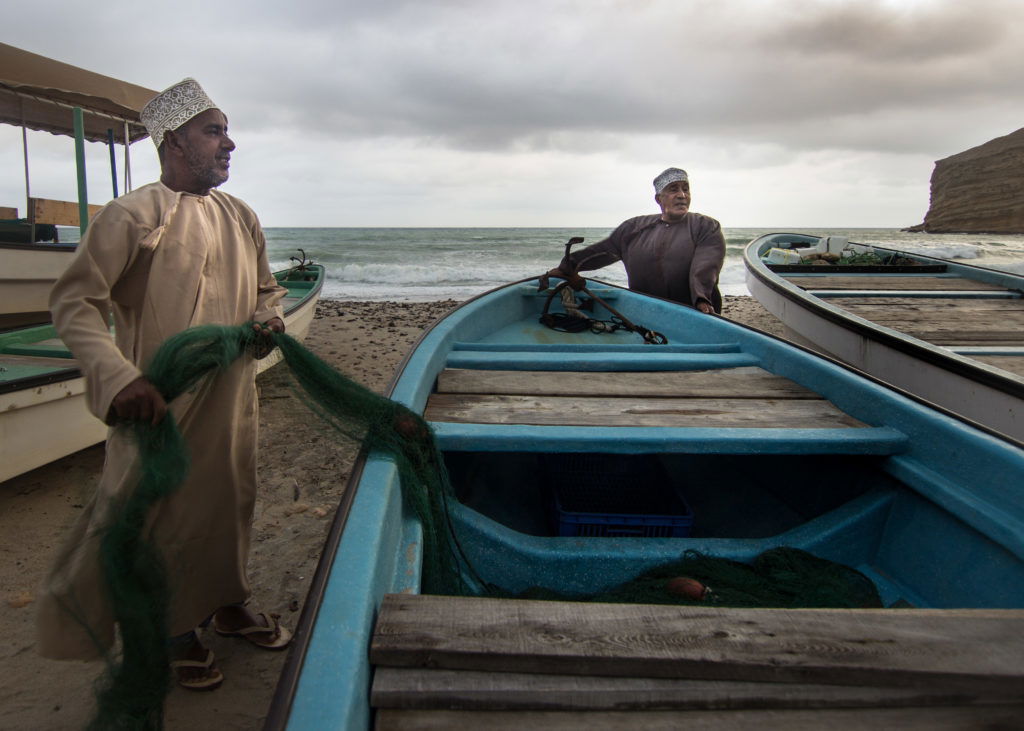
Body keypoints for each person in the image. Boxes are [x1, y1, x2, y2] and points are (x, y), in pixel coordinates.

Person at [36, 78, 291, 691]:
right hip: (158, 406)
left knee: (230, 500)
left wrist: (267, 319)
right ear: (174, 141)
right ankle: (174, 629)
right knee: (159, 513)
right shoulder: (133, 215)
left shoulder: (241, 215)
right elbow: (75, 304)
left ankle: (228, 601)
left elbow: (266, 290)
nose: (230, 144)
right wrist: (119, 377)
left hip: (232, 400)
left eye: (227, 130)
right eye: (214, 131)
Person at [546, 167, 726, 314]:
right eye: (673, 189)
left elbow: (705, 265)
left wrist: (701, 298)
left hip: (696, 311)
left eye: (685, 189)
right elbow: (601, 252)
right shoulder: (633, 228)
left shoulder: (706, 226)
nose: (682, 195)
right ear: (658, 198)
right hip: (646, 313)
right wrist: (567, 267)